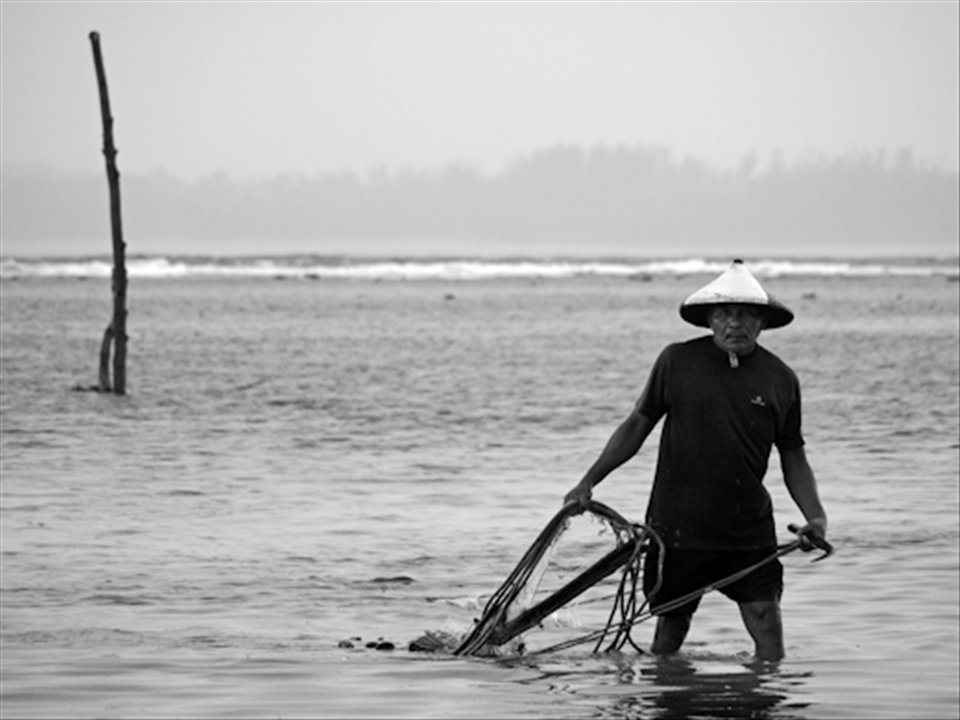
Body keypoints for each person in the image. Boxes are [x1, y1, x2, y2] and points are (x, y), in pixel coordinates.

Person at [563, 259, 827, 662]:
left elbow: (792, 453)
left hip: (747, 530)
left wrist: (816, 517)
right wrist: (588, 481)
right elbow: (637, 426)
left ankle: (763, 699)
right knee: (671, 630)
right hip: (679, 527)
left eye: (745, 315)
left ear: (762, 322)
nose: (734, 324)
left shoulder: (781, 378)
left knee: (768, 629)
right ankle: (670, 696)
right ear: (709, 320)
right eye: (724, 314)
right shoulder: (676, 362)